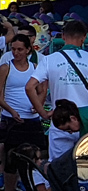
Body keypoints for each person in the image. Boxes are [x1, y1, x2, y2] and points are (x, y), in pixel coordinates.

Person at [0, 33, 44, 191]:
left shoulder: (35, 67)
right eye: (13, 49)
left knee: (34, 159)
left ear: (28, 50)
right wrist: (11, 111)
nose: (16, 53)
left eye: (20, 49)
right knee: (10, 160)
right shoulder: (6, 68)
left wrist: (37, 106)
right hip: (12, 120)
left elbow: (42, 90)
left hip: (31, 119)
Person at [27, 20, 88, 162]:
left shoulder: (49, 60)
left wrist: (42, 112)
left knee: (59, 170)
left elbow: (30, 87)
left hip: (59, 119)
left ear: (63, 36)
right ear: (84, 37)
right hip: (85, 121)